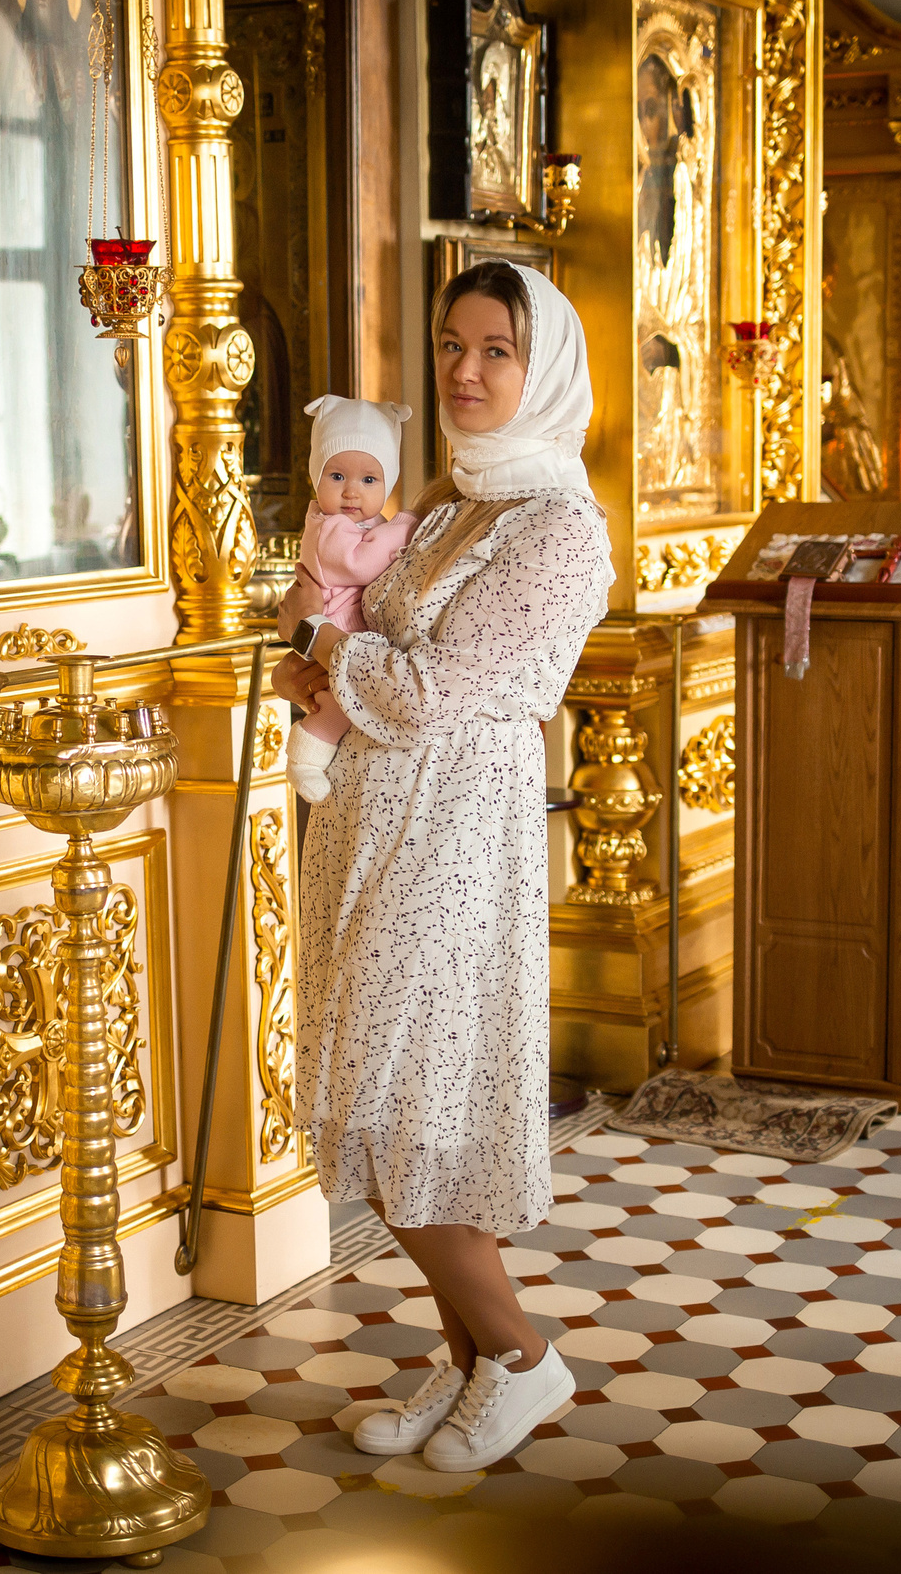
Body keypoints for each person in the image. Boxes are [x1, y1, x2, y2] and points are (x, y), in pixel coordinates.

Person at [273, 259, 612, 1473]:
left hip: (454, 840)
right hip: (369, 826)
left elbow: (422, 690)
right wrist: (326, 653)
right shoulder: (454, 503)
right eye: (451, 346)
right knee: (392, 1099)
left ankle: (522, 1358)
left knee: (407, 1093)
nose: (466, 373)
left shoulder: (560, 528)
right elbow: (361, 652)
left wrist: (316, 644)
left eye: (496, 352)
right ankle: (466, 1360)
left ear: (545, 368)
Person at [280, 395, 418, 803]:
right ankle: (304, 756)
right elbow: (362, 563)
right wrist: (407, 524)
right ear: (315, 477)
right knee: (340, 703)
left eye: (369, 480)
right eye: (337, 476)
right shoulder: (328, 528)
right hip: (337, 626)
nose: (351, 492)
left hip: (343, 629)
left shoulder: (358, 522)